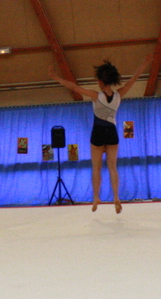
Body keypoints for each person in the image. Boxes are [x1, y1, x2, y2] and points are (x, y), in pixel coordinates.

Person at [49, 53, 152, 213]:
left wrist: (56, 78)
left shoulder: (96, 96)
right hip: (112, 132)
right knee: (113, 168)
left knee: (96, 168)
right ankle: (116, 197)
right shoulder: (119, 94)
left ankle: (96, 198)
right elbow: (133, 80)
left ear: (101, 81)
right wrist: (144, 64)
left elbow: (74, 87)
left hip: (97, 131)